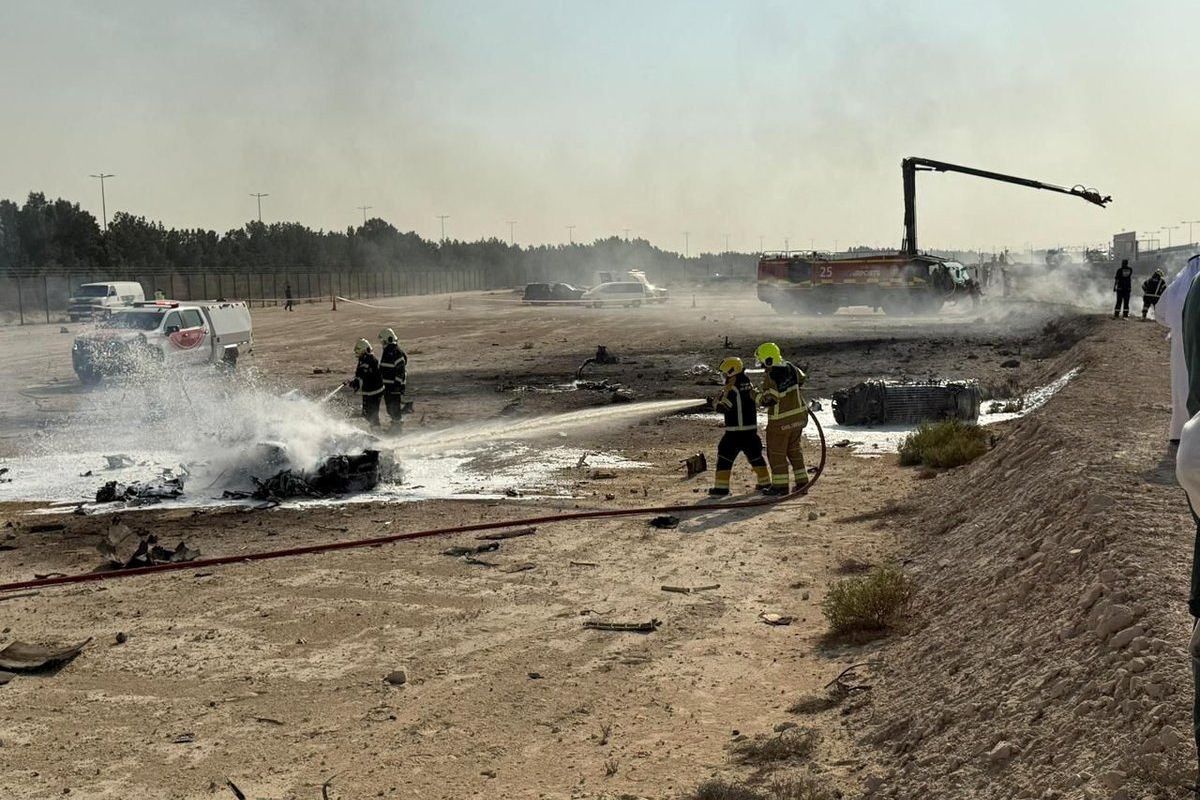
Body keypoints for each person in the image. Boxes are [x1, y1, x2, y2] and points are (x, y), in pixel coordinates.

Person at [708, 357, 771, 496]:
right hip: (750, 431)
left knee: (724, 457)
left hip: (735, 432)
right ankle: (765, 483)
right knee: (755, 456)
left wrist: (714, 403)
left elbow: (724, 407)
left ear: (732, 372)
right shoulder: (747, 382)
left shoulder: (732, 388)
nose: (724, 377)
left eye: (725, 374)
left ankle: (721, 488)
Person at [1155, 255, 1200, 442]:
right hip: (1192, 344)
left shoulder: (1180, 286)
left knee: (1182, 385)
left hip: (1181, 343)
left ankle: (1181, 431)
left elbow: (1160, 312)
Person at [755, 342, 809, 495]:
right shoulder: (791, 367)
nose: (761, 365)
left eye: (762, 361)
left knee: (776, 454)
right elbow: (802, 379)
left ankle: (780, 487)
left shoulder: (771, 376)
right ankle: (802, 483)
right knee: (794, 451)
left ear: (768, 360)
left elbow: (769, 400)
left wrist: (755, 395)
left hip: (780, 423)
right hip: (799, 418)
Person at [344, 338, 383, 427]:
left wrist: (352, 383)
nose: (357, 355)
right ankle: (375, 429)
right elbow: (361, 375)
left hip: (374, 392)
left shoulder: (368, 361)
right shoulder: (365, 359)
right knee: (367, 414)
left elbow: (361, 378)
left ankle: (377, 432)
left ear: (364, 351)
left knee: (372, 415)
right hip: (370, 391)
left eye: (359, 352)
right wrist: (353, 381)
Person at [378, 328, 408, 428]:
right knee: (390, 409)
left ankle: (397, 428)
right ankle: (395, 425)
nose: (382, 343)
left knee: (394, 408)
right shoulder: (387, 351)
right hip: (387, 386)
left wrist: (397, 385)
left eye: (383, 341)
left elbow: (401, 371)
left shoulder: (396, 352)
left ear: (389, 340)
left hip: (394, 387)